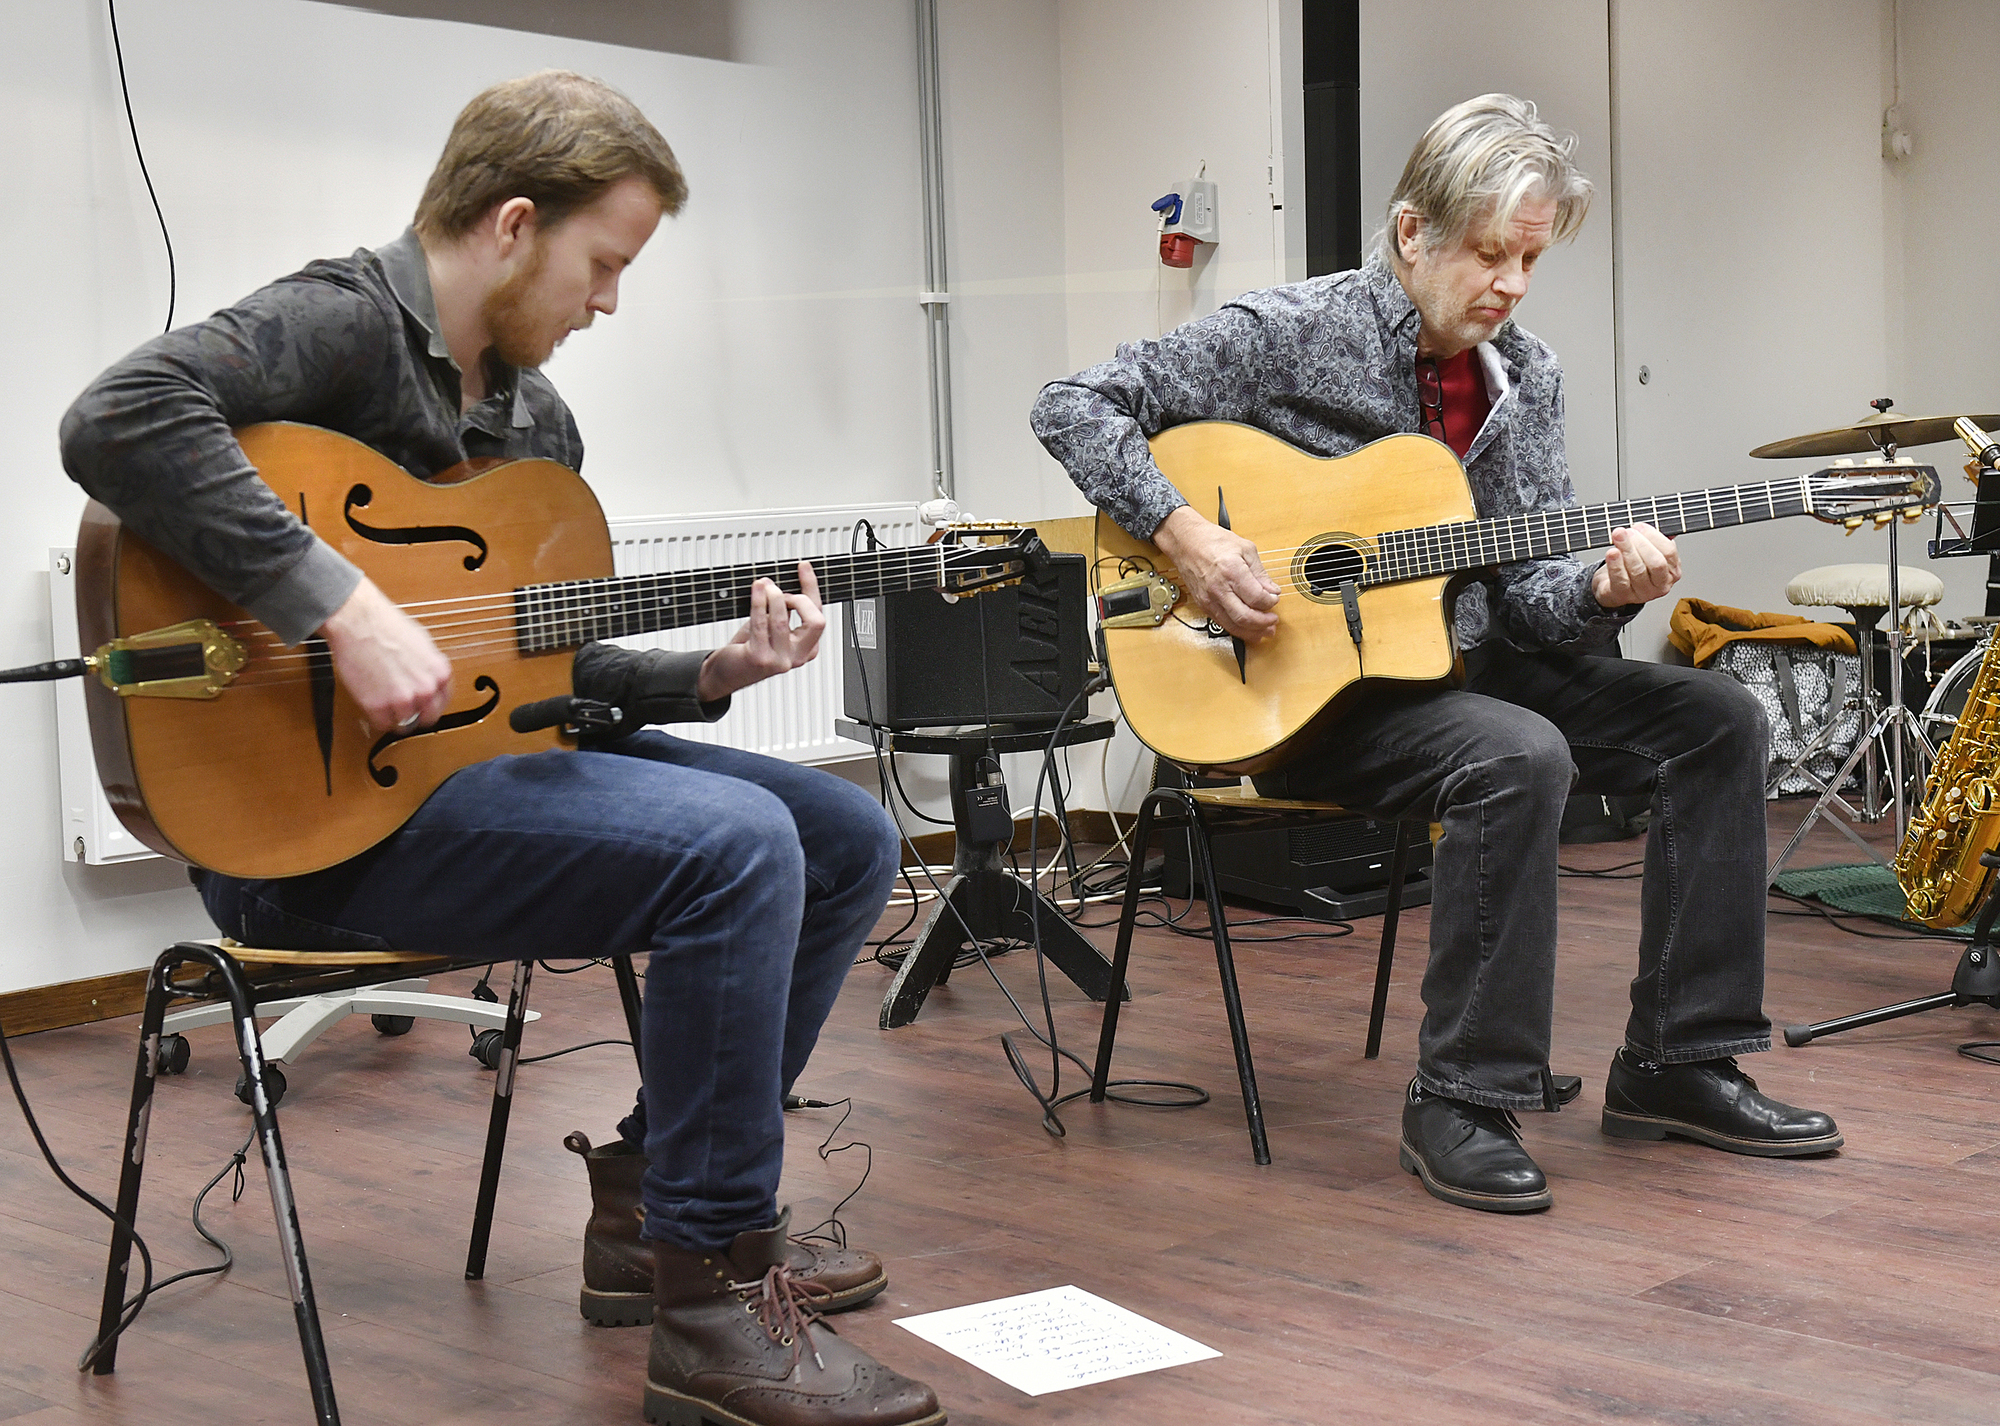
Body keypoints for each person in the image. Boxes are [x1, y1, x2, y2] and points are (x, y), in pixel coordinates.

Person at [62, 72, 943, 1426]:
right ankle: (713, 1300)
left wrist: (711, 670)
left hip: (479, 789)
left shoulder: (536, 423)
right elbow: (115, 418)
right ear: (516, 223)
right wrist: (340, 606)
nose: (607, 301)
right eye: (605, 263)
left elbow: (550, 682)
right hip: (310, 837)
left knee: (845, 834)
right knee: (739, 845)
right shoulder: (340, 327)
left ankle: (655, 1200)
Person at [1030, 93, 1841, 1215]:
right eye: (1488, 254)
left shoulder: (1526, 376)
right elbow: (1072, 405)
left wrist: (1602, 587)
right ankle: (1458, 1098)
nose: (1508, 284)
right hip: (1310, 695)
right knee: (1516, 755)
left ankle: (1678, 1062)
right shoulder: (1289, 332)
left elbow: (1527, 598)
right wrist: (1191, 539)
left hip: (1462, 664)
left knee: (1719, 719)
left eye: (1528, 259)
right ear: (1411, 233)